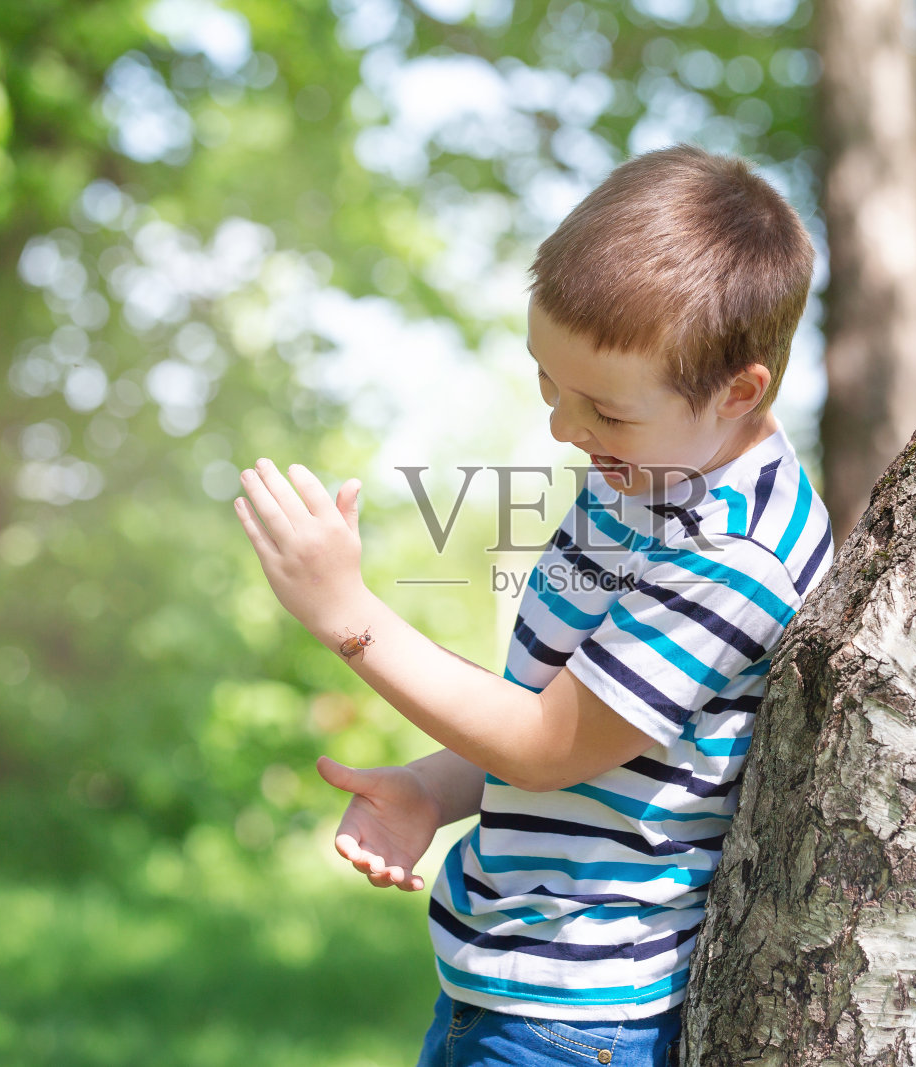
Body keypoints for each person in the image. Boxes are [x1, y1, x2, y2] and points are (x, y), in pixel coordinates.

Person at [232, 143, 834, 1067]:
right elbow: (577, 715)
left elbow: (550, 745)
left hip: (580, 1013)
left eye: (603, 408)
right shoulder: (644, 474)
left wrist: (343, 613)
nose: (563, 428)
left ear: (737, 390)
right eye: (549, 382)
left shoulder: (734, 554)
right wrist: (437, 787)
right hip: (511, 981)